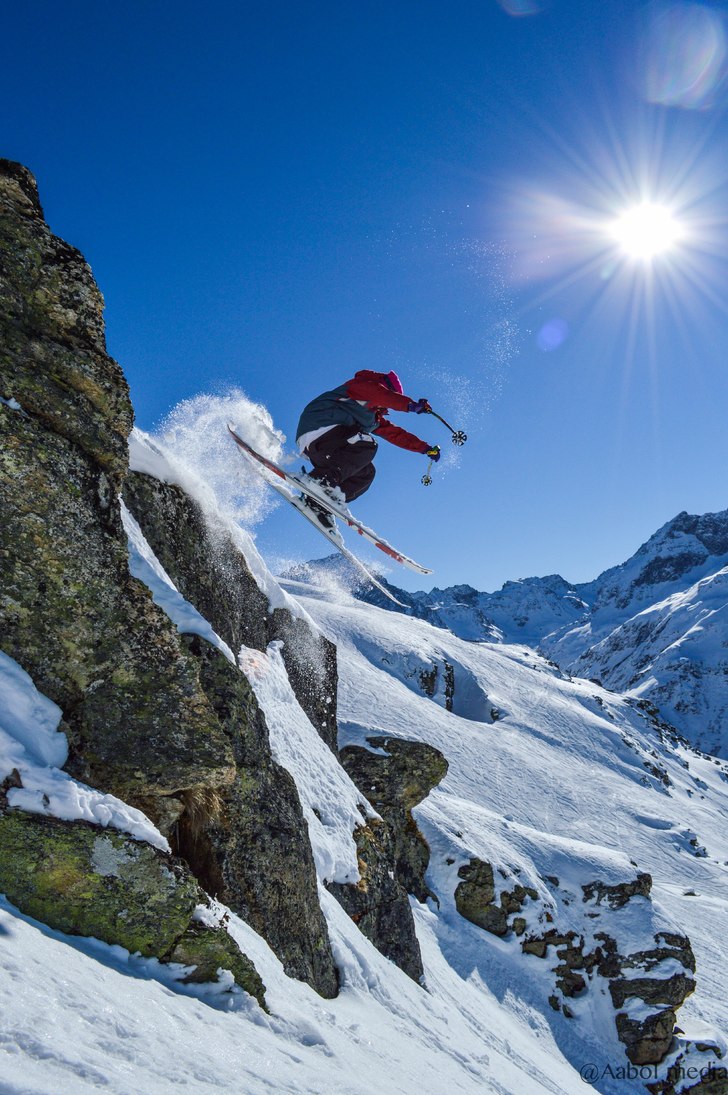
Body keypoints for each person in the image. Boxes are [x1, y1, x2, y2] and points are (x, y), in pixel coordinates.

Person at [295, 369, 440, 528]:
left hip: (324, 448)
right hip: (320, 426)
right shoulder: (360, 387)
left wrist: (424, 448)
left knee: (366, 473)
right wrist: (410, 405)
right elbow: (380, 395)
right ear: (384, 387)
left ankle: (322, 503)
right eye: (388, 393)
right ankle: (319, 482)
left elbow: (395, 434)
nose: (386, 407)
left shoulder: (372, 417)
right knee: (366, 443)